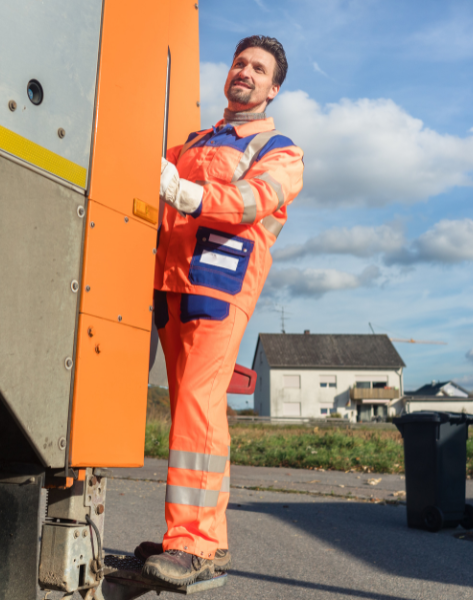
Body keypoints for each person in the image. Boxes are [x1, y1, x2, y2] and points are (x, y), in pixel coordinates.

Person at [139, 35, 304, 585]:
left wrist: (187, 195)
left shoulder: (280, 150)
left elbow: (255, 201)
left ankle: (197, 544)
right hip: (169, 288)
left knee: (198, 405)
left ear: (273, 88)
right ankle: (194, 536)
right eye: (240, 63)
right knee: (189, 407)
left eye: (258, 69)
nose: (246, 72)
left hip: (219, 288)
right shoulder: (191, 143)